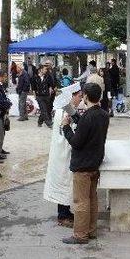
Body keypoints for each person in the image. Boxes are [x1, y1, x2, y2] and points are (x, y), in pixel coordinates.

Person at [60, 83, 110, 244]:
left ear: (86, 97)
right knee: (92, 199)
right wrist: (77, 119)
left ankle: (80, 235)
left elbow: (76, 142)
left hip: (82, 165)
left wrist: (66, 127)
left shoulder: (88, 117)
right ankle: (91, 231)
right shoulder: (103, 114)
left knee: (81, 201)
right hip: (95, 163)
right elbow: (88, 127)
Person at [43, 82, 83, 228]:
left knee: (65, 184)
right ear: (72, 96)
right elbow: (65, 133)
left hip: (64, 153)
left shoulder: (66, 110)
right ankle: (63, 215)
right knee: (63, 184)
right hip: (63, 153)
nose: (80, 99)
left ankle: (66, 212)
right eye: (79, 96)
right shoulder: (64, 112)